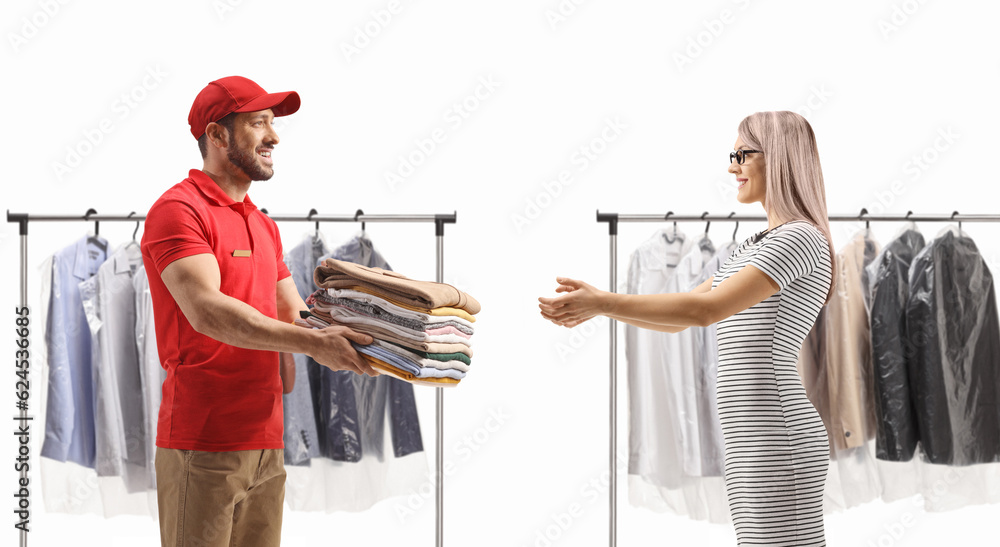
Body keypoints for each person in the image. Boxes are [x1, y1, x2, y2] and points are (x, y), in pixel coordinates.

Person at [539, 111, 837, 546]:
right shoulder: (755, 245)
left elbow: (706, 310)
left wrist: (603, 301)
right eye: (731, 155)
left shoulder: (799, 238)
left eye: (742, 154)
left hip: (776, 432)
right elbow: (684, 316)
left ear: (779, 158)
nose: (732, 166)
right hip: (749, 433)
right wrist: (600, 308)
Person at [140, 75, 377, 547]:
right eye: (258, 123)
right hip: (203, 441)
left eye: (272, 123)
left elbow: (296, 315)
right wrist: (313, 342)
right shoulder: (178, 210)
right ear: (217, 134)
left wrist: (389, 336)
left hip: (267, 442)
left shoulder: (262, 225)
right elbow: (206, 310)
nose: (273, 136)